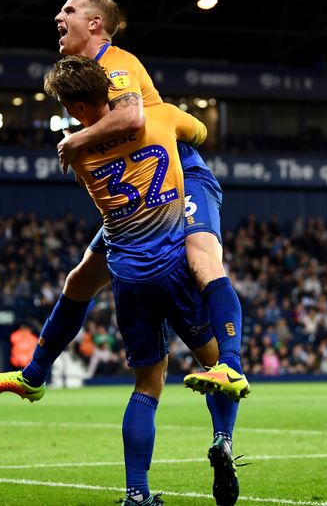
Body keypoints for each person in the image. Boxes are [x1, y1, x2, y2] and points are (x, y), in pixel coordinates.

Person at [0, 0, 246, 407]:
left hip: (177, 175)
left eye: (69, 10)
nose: (58, 17)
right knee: (80, 279)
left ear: (95, 24)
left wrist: (78, 139)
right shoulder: (88, 75)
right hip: (138, 187)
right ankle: (34, 375)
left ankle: (230, 362)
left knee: (200, 258)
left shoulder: (115, 63)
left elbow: (134, 116)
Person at [38, 55, 214, 505]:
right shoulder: (157, 121)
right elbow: (197, 132)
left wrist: (77, 137)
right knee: (218, 363)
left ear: (75, 110)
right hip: (172, 263)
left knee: (146, 385)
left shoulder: (75, 155)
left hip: (127, 272)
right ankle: (223, 439)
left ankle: (137, 493)